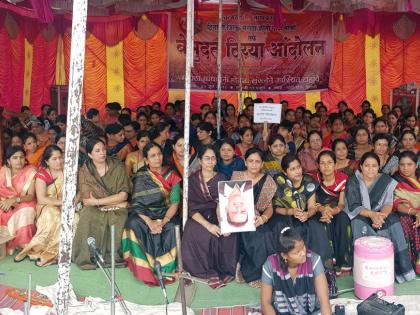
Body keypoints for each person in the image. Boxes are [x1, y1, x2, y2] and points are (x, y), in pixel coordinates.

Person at [344, 152, 415, 283]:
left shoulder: (385, 180)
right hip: (362, 214)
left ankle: (401, 270)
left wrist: (381, 216)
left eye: (374, 166)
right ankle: (366, 270)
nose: (370, 169)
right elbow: (354, 206)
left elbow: (388, 203)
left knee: (393, 221)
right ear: (361, 166)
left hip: (381, 214)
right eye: (367, 166)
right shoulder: (353, 181)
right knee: (358, 224)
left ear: (379, 166)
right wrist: (372, 215)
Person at [122, 142, 181, 285]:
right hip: (144, 215)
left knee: (173, 227)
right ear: (146, 160)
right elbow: (136, 204)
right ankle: (143, 267)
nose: (157, 158)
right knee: (133, 223)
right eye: (153, 156)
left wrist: (164, 221)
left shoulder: (172, 175)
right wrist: (150, 222)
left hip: (166, 214)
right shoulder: (141, 176)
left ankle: (167, 269)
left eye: (159, 154)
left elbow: (175, 203)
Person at [181, 145, 238, 288]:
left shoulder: (221, 177)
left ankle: (227, 270)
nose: (210, 161)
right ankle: (202, 271)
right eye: (207, 158)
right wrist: (208, 226)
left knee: (229, 235)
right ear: (200, 160)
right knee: (198, 234)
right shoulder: (192, 180)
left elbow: (223, 203)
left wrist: (222, 223)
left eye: (213, 158)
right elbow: (191, 209)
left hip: (217, 213)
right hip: (197, 216)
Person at [72, 138, 131, 269]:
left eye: (104, 149)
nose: (102, 153)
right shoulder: (85, 171)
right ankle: (89, 257)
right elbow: (87, 200)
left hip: (113, 208)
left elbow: (124, 195)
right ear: (89, 154)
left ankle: (111, 257)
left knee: (118, 217)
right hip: (98, 207)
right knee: (87, 216)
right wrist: (114, 202)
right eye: (97, 151)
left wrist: (99, 201)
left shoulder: (117, 166)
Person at [14, 145, 78, 266]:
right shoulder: (42, 174)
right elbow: (42, 199)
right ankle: (45, 251)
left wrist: (72, 203)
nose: (58, 161)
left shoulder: (69, 171)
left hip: (67, 205)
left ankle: (61, 252)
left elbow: (77, 191)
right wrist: (63, 203)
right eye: (54, 159)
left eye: (60, 158)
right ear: (47, 161)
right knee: (53, 216)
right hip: (47, 206)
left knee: (75, 219)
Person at [273, 154, 333, 266]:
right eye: (293, 169)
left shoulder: (308, 181)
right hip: (286, 215)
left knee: (315, 226)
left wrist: (307, 214)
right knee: (287, 227)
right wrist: (291, 211)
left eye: (299, 167)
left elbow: (312, 207)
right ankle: (291, 265)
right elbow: (276, 208)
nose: (297, 171)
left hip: (305, 214)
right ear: (285, 172)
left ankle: (322, 266)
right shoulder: (279, 181)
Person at [232, 148, 278, 288]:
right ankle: (252, 274)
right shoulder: (237, 177)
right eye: (251, 161)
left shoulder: (267, 181)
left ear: (262, 164)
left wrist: (263, 218)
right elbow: (228, 200)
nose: (254, 164)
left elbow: (269, 207)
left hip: (257, 218)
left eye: (257, 161)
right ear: (245, 162)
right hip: (236, 216)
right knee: (253, 237)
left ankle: (265, 273)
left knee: (266, 235)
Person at [261, 227, 332, 315]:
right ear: (284, 255)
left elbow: (323, 299)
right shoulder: (270, 265)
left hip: (312, 312)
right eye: (297, 252)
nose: (303, 253)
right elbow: (265, 303)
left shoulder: (314, 260)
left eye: (303, 247)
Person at [313, 151, 352, 274]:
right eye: (322, 163)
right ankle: (330, 261)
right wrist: (323, 210)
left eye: (329, 162)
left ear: (335, 164)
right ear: (318, 165)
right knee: (323, 222)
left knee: (343, 219)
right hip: (319, 210)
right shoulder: (314, 179)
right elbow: (312, 202)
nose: (326, 166)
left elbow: (341, 204)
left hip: (337, 210)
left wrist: (332, 211)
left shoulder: (342, 178)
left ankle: (344, 260)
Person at [0, 146, 36, 255]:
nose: (19, 160)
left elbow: (30, 196)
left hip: (25, 201)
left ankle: (22, 243)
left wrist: (15, 200)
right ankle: (5, 242)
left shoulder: (31, 171)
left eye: (21, 157)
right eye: (15, 158)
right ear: (8, 161)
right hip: (4, 201)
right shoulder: (3, 171)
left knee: (26, 211)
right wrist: (5, 202)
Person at [393, 151, 420, 274]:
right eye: (402, 164)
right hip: (406, 213)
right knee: (405, 219)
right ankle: (412, 260)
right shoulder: (395, 181)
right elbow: (397, 203)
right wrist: (414, 212)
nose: (405, 168)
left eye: (409, 164)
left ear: (416, 165)